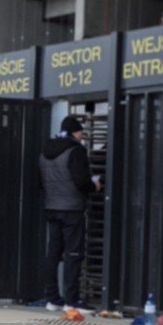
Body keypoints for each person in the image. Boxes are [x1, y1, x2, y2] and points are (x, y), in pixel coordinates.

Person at [39, 115, 100, 312]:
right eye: (81, 132)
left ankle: (52, 299)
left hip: (52, 207)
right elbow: (82, 181)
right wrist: (95, 186)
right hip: (72, 209)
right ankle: (71, 302)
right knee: (73, 254)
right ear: (75, 132)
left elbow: (40, 181)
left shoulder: (45, 151)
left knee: (53, 254)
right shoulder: (76, 150)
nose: (82, 136)